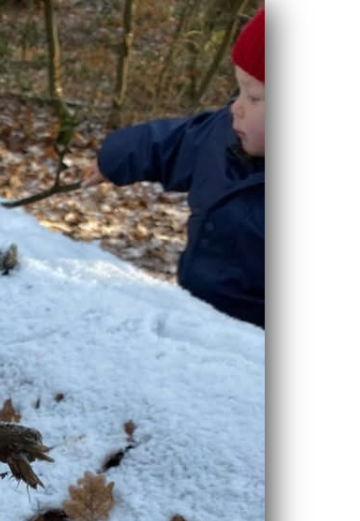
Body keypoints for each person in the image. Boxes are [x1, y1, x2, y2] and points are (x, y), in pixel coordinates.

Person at [84, 7, 265, 328]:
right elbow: (174, 144)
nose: (235, 106)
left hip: (251, 352)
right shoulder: (223, 134)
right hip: (193, 318)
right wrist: (112, 159)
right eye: (238, 90)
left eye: (252, 97)